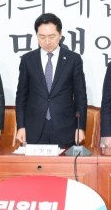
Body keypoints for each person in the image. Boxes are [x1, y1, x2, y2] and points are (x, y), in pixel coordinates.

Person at [15, 13, 87, 146]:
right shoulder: (27, 59)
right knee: (36, 167)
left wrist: (80, 127)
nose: (47, 41)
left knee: (64, 166)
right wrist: (21, 126)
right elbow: (21, 97)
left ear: (60, 35)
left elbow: (80, 96)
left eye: (51, 36)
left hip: (65, 127)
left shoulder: (73, 59)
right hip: (34, 128)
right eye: (42, 37)